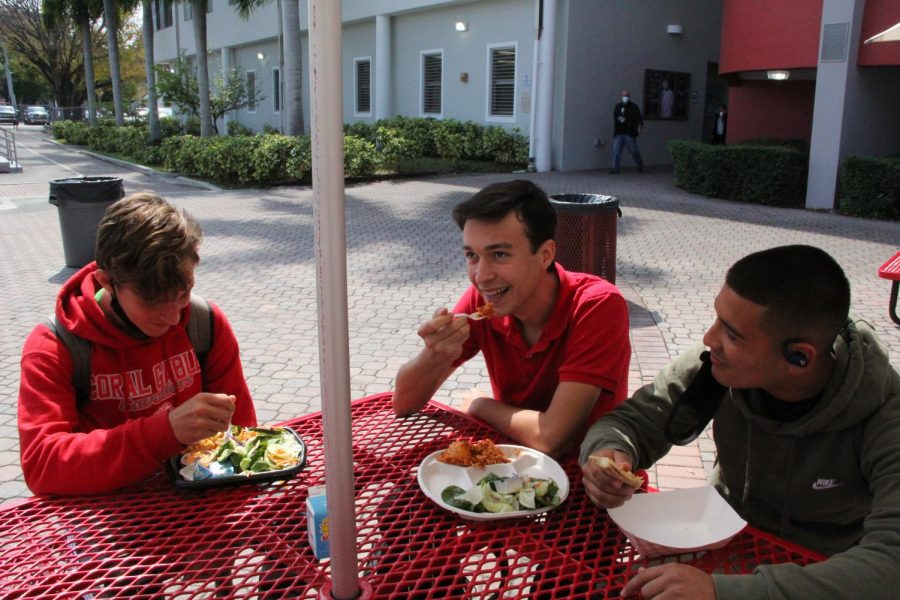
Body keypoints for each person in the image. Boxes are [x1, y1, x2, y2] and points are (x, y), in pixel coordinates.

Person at [580, 245, 900, 599]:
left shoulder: (886, 415)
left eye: (732, 335)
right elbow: (630, 423)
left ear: (799, 357)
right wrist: (607, 454)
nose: (709, 339)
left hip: (829, 577)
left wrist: (725, 592)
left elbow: (890, 565)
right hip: (722, 547)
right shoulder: (716, 369)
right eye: (716, 319)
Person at [18, 193, 257, 495]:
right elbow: (43, 466)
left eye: (182, 293)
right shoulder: (55, 347)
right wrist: (164, 432)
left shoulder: (204, 323)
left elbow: (243, 433)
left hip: (198, 509)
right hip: (104, 524)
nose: (172, 317)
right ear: (107, 282)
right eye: (152, 300)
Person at [393, 180, 631, 457]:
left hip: (591, 480)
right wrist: (435, 354)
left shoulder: (596, 306)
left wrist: (481, 405)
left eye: (500, 254)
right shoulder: (482, 302)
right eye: (472, 255)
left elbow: (553, 438)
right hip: (513, 473)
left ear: (545, 255)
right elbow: (404, 404)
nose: (481, 276)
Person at [611, 89, 644, 174]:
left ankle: (640, 166)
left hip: (629, 133)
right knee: (616, 151)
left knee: (633, 151)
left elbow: (638, 118)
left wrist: (639, 127)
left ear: (629, 97)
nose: (625, 97)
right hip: (619, 133)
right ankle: (615, 169)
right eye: (624, 96)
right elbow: (615, 118)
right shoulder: (618, 107)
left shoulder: (633, 107)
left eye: (626, 96)